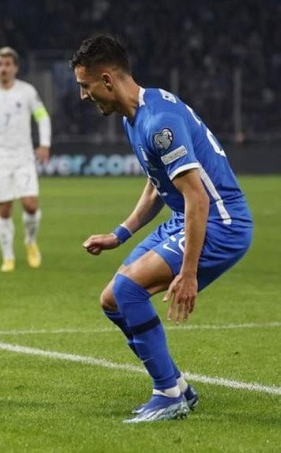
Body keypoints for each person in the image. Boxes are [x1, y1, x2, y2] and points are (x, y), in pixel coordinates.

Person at [70, 34, 253, 423]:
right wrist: (119, 233)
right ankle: (178, 387)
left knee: (127, 288)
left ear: (107, 80)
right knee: (113, 299)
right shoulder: (136, 114)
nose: (84, 96)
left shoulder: (159, 123)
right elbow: (158, 182)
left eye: (85, 87)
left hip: (221, 222)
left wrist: (188, 273)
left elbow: (198, 198)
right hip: (186, 217)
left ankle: (168, 392)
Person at [0, 46, 51, 272]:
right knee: (4, 209)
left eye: (7, 64)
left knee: (30, 204)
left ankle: (30, 241)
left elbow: (42, 116)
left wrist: (44, 143)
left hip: (24, 157)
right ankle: (8, 256)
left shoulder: (27, 92)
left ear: (15, 67)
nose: (3, 68)